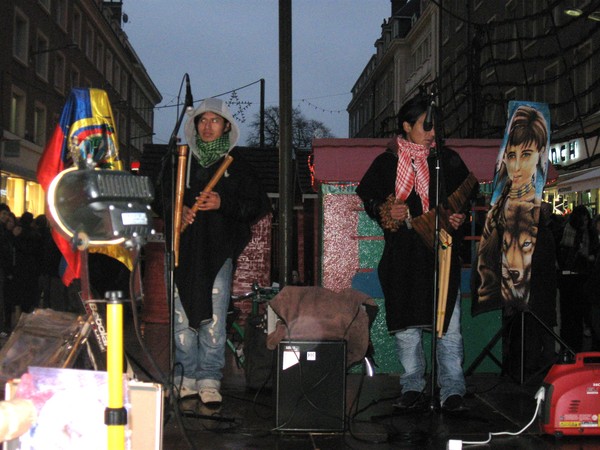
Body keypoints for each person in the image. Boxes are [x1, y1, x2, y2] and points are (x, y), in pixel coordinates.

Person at [356, 94, 478, 411]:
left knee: (448, 326)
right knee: (407, 328)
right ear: (407, 126)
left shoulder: (445, 160)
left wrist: (457, 218)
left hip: (441, 254)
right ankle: (412, 384)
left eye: (435, 125)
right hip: (402, 255)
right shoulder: (387, 163)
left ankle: (452, 389)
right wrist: (385, 209)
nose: (432, 132)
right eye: (425, 125)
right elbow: (368, 197)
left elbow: (465, 199)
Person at [161, 98, 270, 406]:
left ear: (226, 126)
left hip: (217, 251)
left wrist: (224, 203)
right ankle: (186, 376)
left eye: (215, 121)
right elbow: (160, 196)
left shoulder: (237, 164)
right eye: (202, 120)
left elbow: (258, 204)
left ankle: (210, 378)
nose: (208, 126)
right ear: (195, 125)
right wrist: (177, 209)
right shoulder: (180, 159)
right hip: (181, 249)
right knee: (181, 317)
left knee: (213, 318)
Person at [558, 205, 598, 353]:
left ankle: (573, 347)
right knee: (571, 315)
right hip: (573, 277)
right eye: (584, 219)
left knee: (577, 314)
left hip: (580, 277)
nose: (586, 222)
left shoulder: (575, 232)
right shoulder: (574, 232)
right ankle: (570, 346)